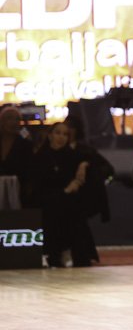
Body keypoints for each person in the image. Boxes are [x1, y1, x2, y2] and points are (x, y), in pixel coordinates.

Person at [31, 122, 100, 268]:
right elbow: (38, 186)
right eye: (57, 133)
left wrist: (84, 165)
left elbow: (94, 159)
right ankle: (53, 255)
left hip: (69, 204)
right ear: (50, 135)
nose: (61, 137)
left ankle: (74, 254)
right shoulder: (40, 157)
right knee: (54, 211)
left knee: (74, 213)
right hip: (48, 202)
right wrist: (64, 191)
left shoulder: (72, 156)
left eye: (65, 134)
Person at [0, 106, 33, 204]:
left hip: (19, 192)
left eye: (17, 119)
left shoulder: (25, 143)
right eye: (9, 118)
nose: (13, 122)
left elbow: (29, 169)